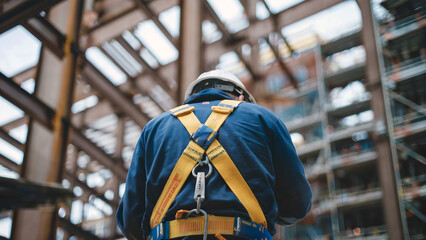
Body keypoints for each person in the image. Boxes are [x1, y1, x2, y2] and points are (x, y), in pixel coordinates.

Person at [116, 70, 312, 240]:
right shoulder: (263, 118)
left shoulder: (154, 128)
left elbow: (130, 220)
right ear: (241, 98)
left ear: (192, 97)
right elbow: (296, 205)